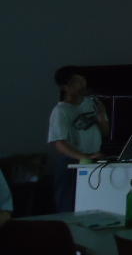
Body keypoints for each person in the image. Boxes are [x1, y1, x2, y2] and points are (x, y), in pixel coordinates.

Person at [48, 66, 109, 212]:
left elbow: (105, 132)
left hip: (93, 159)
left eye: (83, 80)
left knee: (92, 203)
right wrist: (84, 157)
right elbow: (59, 143)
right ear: (65, 87)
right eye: (76, 82)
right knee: (68, 204)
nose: (82, 85)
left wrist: (101, 116)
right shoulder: (61, 110)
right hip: (71, 162)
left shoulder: (92, 103)